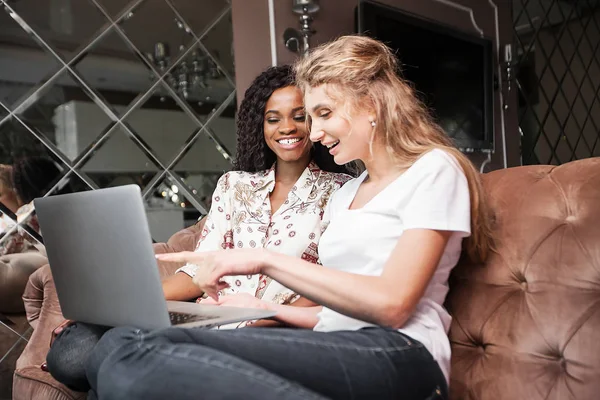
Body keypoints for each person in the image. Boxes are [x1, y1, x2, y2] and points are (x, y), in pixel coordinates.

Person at [82, 35, 494, 400]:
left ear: (371, 104)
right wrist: (263, 308)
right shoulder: (349, 193)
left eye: (324, 113)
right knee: (119, 347)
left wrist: (263, 259)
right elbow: (328, 313)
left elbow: (391, 305)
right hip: (331, 341)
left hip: (401, 354)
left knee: (132, 362)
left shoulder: (435, 169)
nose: (313, 133)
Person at [45, 65, 353, 392]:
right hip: (209, 316)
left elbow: (330, 283)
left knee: (106, 366)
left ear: (317, 122)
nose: (286, 128)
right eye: (273, 118)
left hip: (271, 326)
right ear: (260, 126)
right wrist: (113, 309)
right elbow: (198, 269)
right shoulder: (234, 185)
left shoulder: (341, 191)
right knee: (70, 355)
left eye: (299, 116)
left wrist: (268, 318)